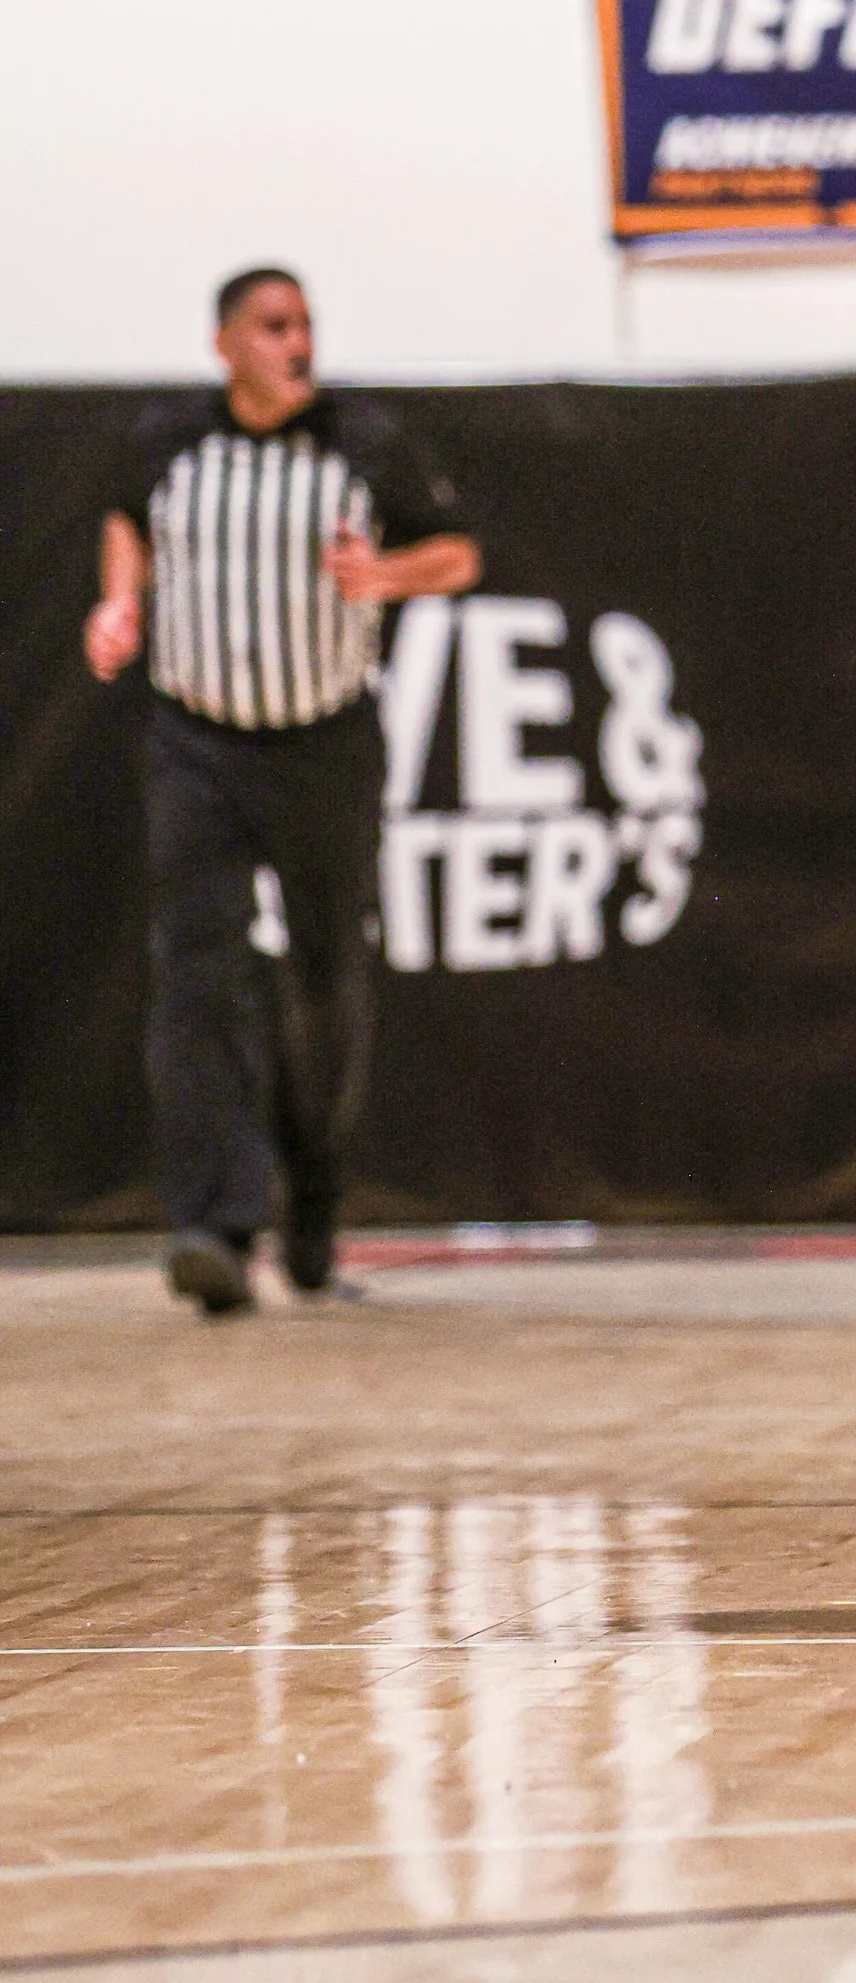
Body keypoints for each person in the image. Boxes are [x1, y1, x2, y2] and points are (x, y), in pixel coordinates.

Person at [85, 267, 481, 1315]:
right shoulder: (170, 437)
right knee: (196, 976)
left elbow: (456, 554)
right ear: (226, 344)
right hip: (194, 742)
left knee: (322, 982)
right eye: (273, 326)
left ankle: (313, 1208)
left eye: (305, 325)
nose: (296, 342)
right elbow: (126, 521)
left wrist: (383, 578)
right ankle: (214, 1223)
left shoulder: (364, 442)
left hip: (324, 744)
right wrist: (121, 604)